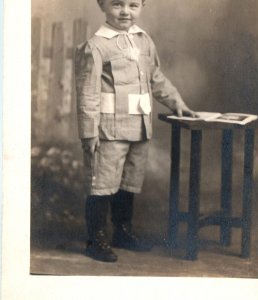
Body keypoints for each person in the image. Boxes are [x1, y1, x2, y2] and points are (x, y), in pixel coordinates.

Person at [75, 0, 198, 262]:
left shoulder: (143, 41)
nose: (125, 12)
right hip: (109, 130)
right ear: (102, 4)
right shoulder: (96, 46)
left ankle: (123, 231)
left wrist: (178, 104)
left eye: (133, 5)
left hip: (139, 126)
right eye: (117, 4)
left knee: (128, 181)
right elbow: (87, 93)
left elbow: (156, 78)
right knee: (102, 183)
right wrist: (89, 132)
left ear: (143, 5)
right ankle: (96, 240)